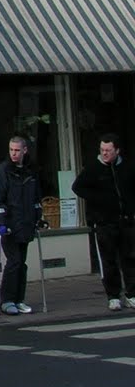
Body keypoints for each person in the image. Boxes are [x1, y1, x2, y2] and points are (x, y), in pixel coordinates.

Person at [71, 132, 135, 312]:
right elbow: (77, 187)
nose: (105, 153)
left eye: (108, 150)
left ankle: (131, 294)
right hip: (104, 222)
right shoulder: (93, 169)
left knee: (129, 259)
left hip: (125, 221)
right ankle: (113, 296)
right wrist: (97, 200)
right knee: (108, 261)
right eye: (102, 150)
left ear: (117, 151)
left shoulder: (127, 168)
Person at [0, 135, 44, 315]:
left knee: (22, 263)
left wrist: (38, 217)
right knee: (14, 262)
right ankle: (7, 301)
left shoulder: (30, 171)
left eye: (17, 150)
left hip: (26, 222)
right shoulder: (3, 170)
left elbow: (36, 197)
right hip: (11, 224)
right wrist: (3, 222)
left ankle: (19, 299)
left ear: (24, 150)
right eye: (11, 150)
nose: (14, 153)